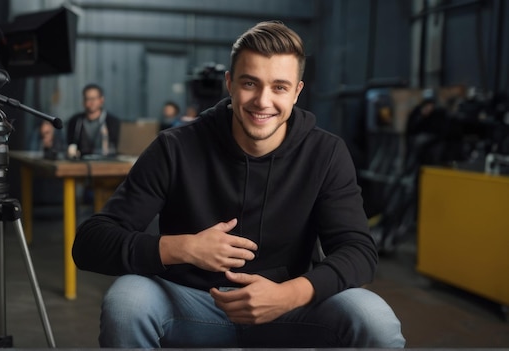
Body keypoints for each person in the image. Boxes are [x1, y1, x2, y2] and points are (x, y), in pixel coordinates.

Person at [72, 21, 405, 348]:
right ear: (229, 84)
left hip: (288, 306)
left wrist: (290, 293)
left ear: (297, 92)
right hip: (190, 304)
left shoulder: (326, 153)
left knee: (373, 319)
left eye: (279, 87)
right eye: (250, 83)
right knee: (126, 303)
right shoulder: (174, 148)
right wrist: (183, 248)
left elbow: (359, 251)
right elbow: (90, 243)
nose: (262, 101)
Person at [66, 84, 121, 158]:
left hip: (105, 163)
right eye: (88, 99)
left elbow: (115, 147)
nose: (91, 103)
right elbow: (70, 144)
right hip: (81, 163)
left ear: (101, 100)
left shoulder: (112, 122)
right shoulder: (75, 121)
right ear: (83, 101)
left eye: (93, 99)